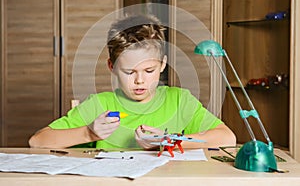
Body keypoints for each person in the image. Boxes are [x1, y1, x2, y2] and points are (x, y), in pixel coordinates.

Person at [29, 14, 236, 149]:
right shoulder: (99, 105)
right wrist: (88, 132)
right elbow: (37, 141)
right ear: (112, 67)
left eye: (149, 70)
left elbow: (227, 138)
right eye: (129, 72)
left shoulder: (179, 100)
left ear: (163, 64)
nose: (139, 80)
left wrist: (168, 141)